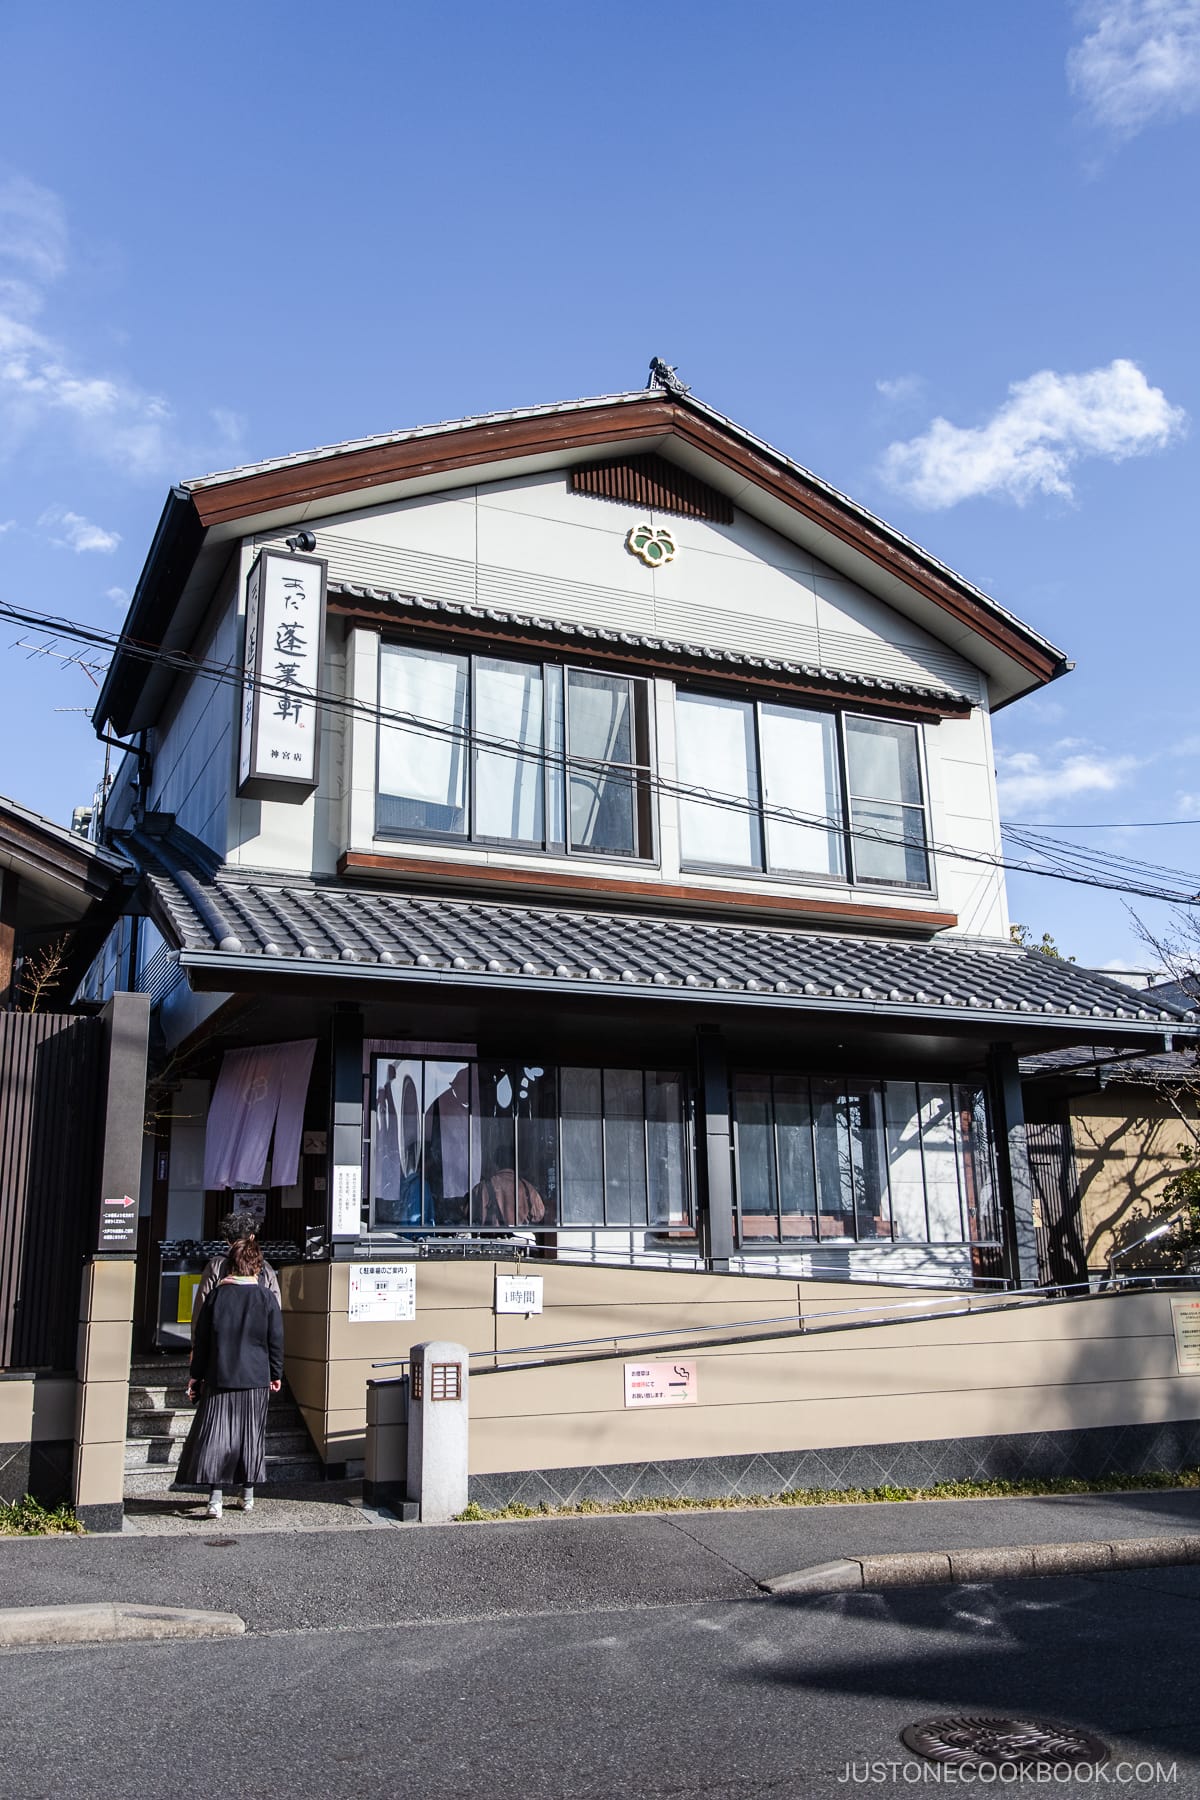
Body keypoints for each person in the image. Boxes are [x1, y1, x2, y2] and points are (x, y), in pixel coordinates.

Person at [175, 1236, 284, 1519]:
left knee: (217, 1437)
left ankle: (215, 1500)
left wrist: (194, 1376)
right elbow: (276, 1340)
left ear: (231, 1265)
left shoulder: (217, 1296)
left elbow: (203, 1340)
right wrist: (276, 1373)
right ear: (257, 1267)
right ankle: (247, 1495)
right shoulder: (266, 1298)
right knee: (251, 1435)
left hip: (219, 1375)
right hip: (256, 1377)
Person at [191, 1208, 281, 1338]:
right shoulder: (265, 1268)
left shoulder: (216, 1265)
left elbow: (201, 1308)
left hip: (221, 1339)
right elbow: (276, 1309)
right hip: (257, 1340)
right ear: (252, 1237)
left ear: (227, 1239)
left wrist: (196, 1344)